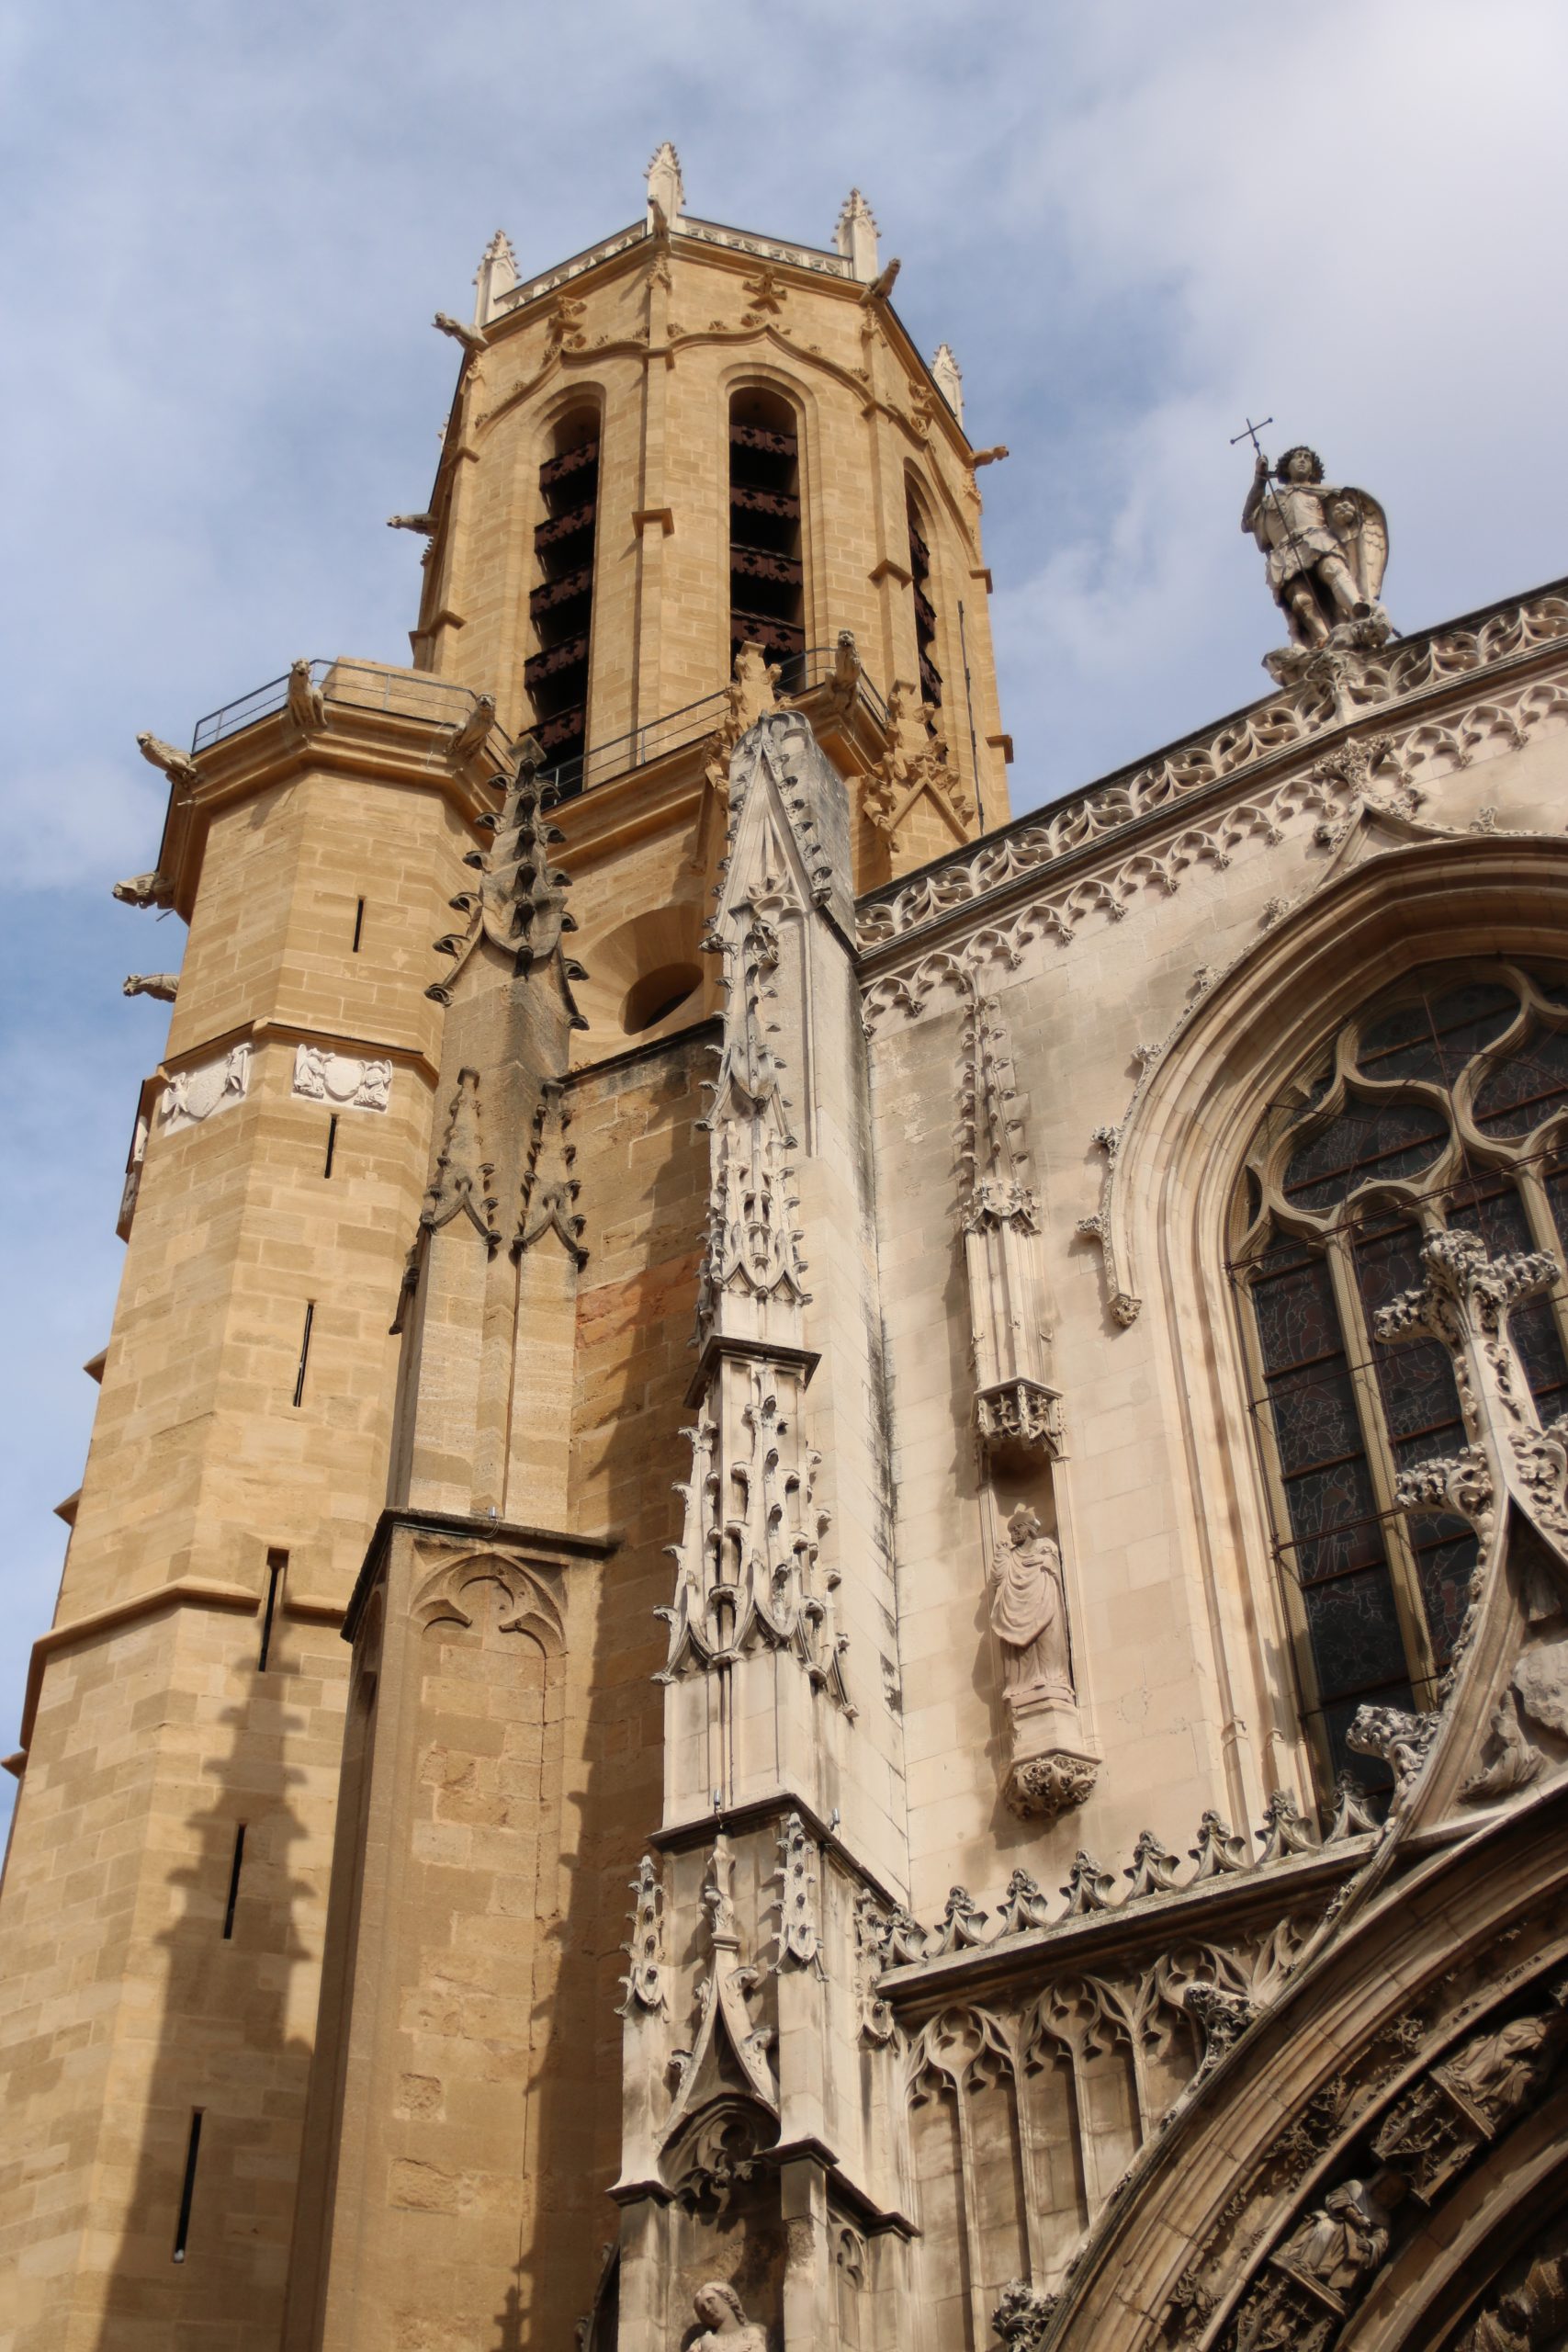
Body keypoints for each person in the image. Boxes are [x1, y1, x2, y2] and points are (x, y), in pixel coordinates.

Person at [1242, 445, 1387, 649]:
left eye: (1307, 458)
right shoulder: (1271, 501)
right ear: (1286, 466)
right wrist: (1259, 481)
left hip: (1317, 540)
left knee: (1332, 569)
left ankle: (1357, 608)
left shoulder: (1321, 493)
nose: (1303, 461)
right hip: (1286, 553)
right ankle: (1324, 640)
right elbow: (1248, 521)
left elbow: (1345, 511)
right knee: (1301, 601)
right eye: (1298, 457)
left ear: (1313, 468)